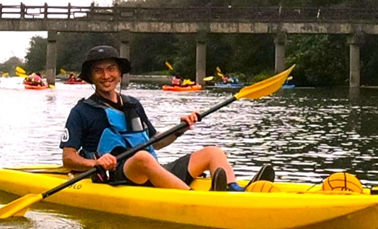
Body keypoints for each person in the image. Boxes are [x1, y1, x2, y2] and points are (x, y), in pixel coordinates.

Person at [60, 45, 269, 191]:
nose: (106, 76)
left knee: (213, 152)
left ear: (120, 73)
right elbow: (68, 158)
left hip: (152, 169)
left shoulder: (133, 104)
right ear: (90, 77)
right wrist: (95, 162)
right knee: (142, 158)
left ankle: (233, 190)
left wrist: (180, 129)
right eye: (99, 71)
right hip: (117, 177)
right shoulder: (81, 112)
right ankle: (191, 199)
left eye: (111, 69)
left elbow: (155, 143)